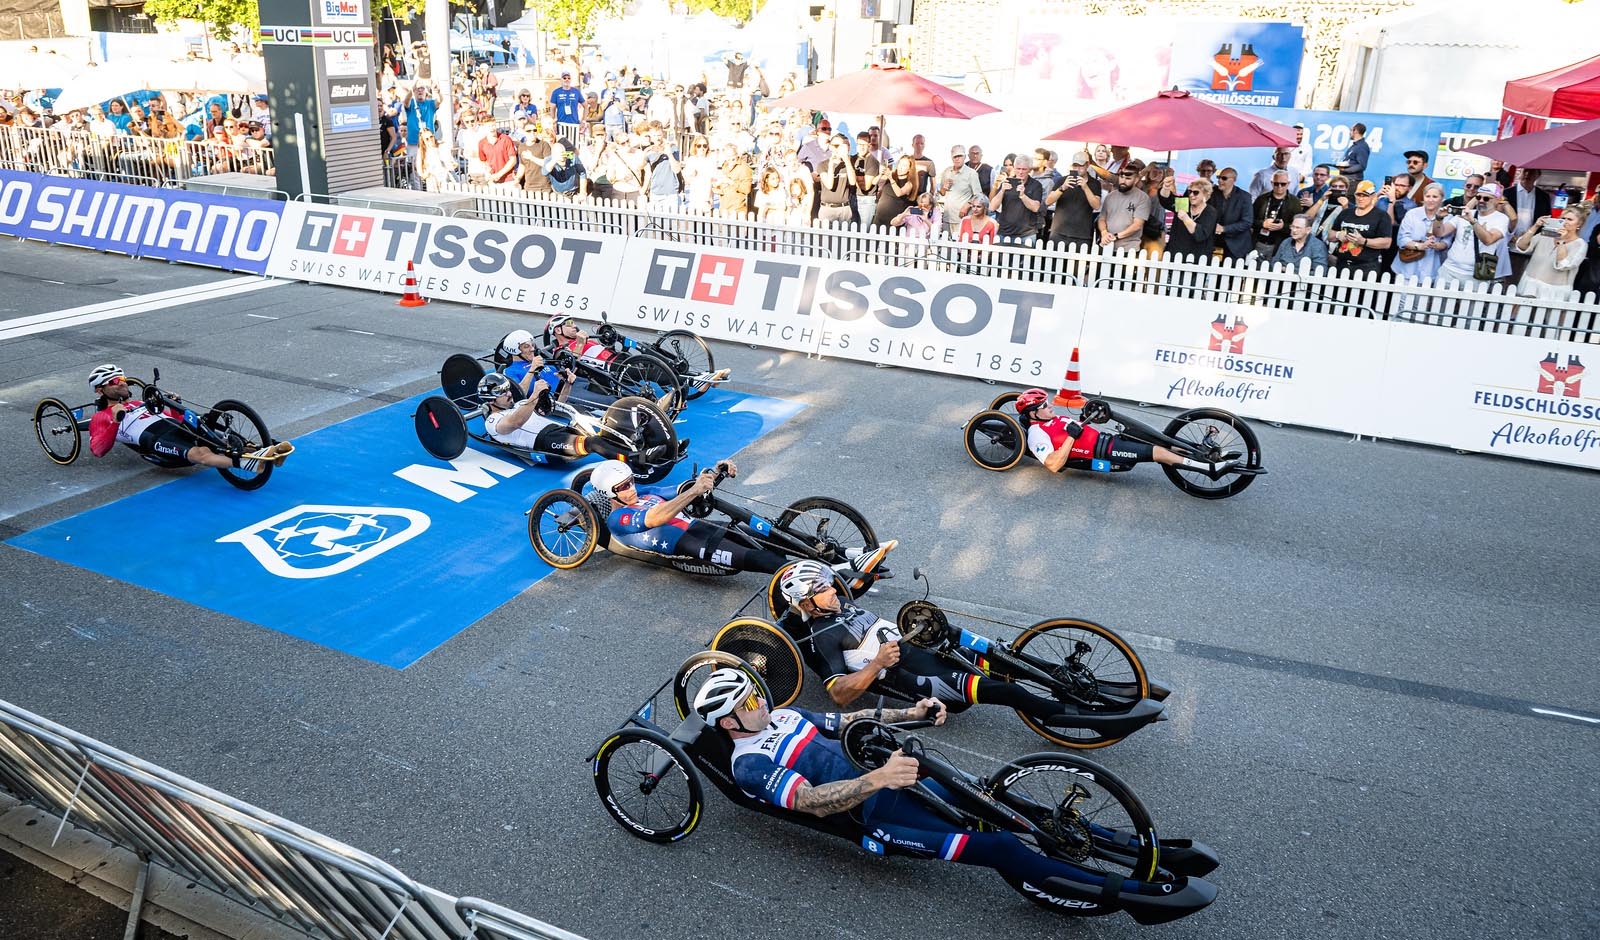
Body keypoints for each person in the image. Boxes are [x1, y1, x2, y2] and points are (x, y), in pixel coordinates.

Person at [776, 561, 1088, 722]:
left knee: (1005, 658)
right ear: (807, 603)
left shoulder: (838, 604)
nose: (833, 590)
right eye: (823, 589)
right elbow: (839, 695)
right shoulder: (821, 637)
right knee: (1008, 690)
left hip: (926, 643)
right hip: (916, 675)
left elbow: (850, 577)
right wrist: (878, 663)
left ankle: (1065, 680)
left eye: (829, 584)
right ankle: (1069, 716)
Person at [590, 461, 884, 577]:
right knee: (757, 558)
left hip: (700, 527)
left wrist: (713, 471)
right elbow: (655, 518)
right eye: (623, 486)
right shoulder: (620, 518)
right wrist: (693, 491)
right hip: (686, 545)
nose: (631, 488)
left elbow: (680, 488)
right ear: (609, 492)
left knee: (765, 533)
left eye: (630, 481)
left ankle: (849, 554)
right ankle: (837, 575)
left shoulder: (645, 491)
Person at [86, 364, 292, 470]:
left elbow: (168, 416)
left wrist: (176, 405)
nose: (122, 383)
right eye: (114, 381)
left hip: (172, 425)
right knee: (200, 452)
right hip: (154, 438)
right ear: (100, 390)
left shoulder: (139, 403)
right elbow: (98, 450)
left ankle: (262, 450)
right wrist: (115, 420)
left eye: (121, 378)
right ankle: (248, 464)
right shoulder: (101, 417)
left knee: (217, 441)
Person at [1015, 389, 1244, 477]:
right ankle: (1211, 469)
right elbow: (1054, 465)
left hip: (1110, 439)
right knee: (1158, 452)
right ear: (1033, 415)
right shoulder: (1036, 435)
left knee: (1163, 440)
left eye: (1047, 402)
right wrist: (1071, 437)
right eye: (1044, 406)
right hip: (1104, 453)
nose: (1050, 406)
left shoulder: (1052, 419)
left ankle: (1209, 455)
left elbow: (1076, 426)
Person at [478, 372, 633, 461]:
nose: (509, 393)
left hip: (558, 431)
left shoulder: (521, 405)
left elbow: (553, 406)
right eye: (502, 392)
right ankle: (635, 460)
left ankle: (637, 447)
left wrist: (567, 384)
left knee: (605, 433)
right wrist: (534, 395)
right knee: (594, 443)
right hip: (545, 443)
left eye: (507, 389)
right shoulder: (492, 421)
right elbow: (516, 423)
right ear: (489, 399)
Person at [1514, 207, 1590, 299]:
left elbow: (1564, 265)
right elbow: (1522, 246)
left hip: (1554, 291)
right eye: (1563, 219)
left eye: (1569, 219)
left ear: (1579, 224)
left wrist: (1561, 241)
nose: (1565, 222)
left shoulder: (1580, 244)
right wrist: (1536, 226)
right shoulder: (1547, 234)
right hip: (1530, 284)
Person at [1327, 180, 1392, 276]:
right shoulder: (1346, 213)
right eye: (1358, 195)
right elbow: (1330, 235)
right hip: (1342, 263)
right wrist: (1338, 235)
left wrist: (1364, 241)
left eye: (1365, 195)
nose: (1361, 198)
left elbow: (1387, 243)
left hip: (1366, 266)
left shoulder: (1381, 216)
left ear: (1373, 196)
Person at [1390, 182, 1452, 282]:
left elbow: (1447, 243)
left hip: (1431, 268)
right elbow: (1402, 239)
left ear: (1442, 198)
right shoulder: (1412, 214)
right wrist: (1420, 246)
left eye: (1435, 196)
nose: (1430, 200)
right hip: (1407, 267)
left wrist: (1435, 245)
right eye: (1427, 196)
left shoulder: (1448, 217)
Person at [1044, 150, 1101, 250]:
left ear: (1087, 165)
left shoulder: (1094, 183)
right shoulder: (1062, 180)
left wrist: (1085, 187)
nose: (1077, 169)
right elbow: (1048, 202)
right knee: (1054, 264)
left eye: (1080, 166)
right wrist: (1062, 188)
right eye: (1075, 166)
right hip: (1059, 233)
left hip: (1082, 235)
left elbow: (1096, 205)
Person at [991, 153, 1044, 246]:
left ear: (1029, 170)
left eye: (1024, 169)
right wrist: (1002, 190)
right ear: (1014, 169)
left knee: (1026, 260)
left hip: (1026, 234)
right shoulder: (1006, 182)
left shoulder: (1035, 185)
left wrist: (1023, 196)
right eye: (1018, 169)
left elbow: (1035, 208)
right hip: (1004, 232)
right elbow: (992, 207)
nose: (1020, 172)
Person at [1097, 163, 1149, 252]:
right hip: (1106, 245)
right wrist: (1104, 232)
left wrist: (1116, 236)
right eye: (1121, 177)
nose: (1123, 181)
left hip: (1128, 248)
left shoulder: (1142, 198)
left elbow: (1137, 225)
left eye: (1128, 178)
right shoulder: (1111, 196)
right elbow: (1102, 219)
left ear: (1136, 180)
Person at [1164, 179, 1218, 261]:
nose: (1191, 195)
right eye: (1190, 192)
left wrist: (1186, 219)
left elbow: (1201, 235)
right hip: (1175, 255)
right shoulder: (1184, 204)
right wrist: (1165, 187)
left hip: (1197, 259)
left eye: (1196, 192)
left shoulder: (1211, 212)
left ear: (1205, 194)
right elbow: (1166, 201)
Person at [1211, 167, 1254, 261]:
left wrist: (1224, 229)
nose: (1220, 181)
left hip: (1236, 245)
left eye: (1224, 178)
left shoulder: (1244, 197)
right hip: (1214, 243)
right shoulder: (1213, 193)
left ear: (1233, 180)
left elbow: (1247, 222)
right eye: (1218, 177)